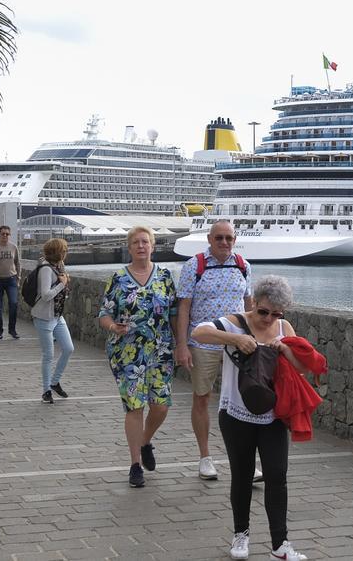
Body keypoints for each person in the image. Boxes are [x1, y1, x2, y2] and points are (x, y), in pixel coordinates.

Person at [191, 275, 310, 561]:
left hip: (273, 416)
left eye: (276, 314)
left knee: (277, 476)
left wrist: (285, 348)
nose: (269, 319)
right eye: (264, 311)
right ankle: (240, 534)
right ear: (254, 303)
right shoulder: (234, 321)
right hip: (236, 414)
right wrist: (235, 339)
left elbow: (302, 367)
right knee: (242, 476)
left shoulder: (284, 328)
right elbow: (199, 332)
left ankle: (280, 545)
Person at [97, 226, 187, 488]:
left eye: (145, 242)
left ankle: (145, 440)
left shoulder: (165, 276)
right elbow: (104, 314)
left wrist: (181, 344)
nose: (140, 246)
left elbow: (173, 314)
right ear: (129, 247)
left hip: (161, 350)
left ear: (152, 246)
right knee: (134, 405)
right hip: (127, 352)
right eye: (135, 242)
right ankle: (135, 464)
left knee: (161, 406)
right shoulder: (118, 278)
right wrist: (113, 327)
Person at [176, 220, 257, 481]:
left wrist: (256, 337)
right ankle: (205, 458)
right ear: (210, 239)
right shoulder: (194, 266)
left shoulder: (243, 265)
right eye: (219, 238)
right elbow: (184, 308)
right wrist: (182, 345)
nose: (224, 242)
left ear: (235, 239)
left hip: (237, 343)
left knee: (243, 399)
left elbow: (249, 305)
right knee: (202, 398)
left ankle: (246, 461)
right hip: (203, 343)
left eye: (229, 238)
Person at [31, 238, 74, 404]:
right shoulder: (46, 270)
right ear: (58, 252)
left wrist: (64, 284)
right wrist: (62, 284)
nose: (66, 253)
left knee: (68, 348)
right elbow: (46, 294)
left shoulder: (58, 267)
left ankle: (55, 382)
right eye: (64, 250)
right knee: (48, 355)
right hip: (44, 317)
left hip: (57, 316)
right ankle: (46, 391)